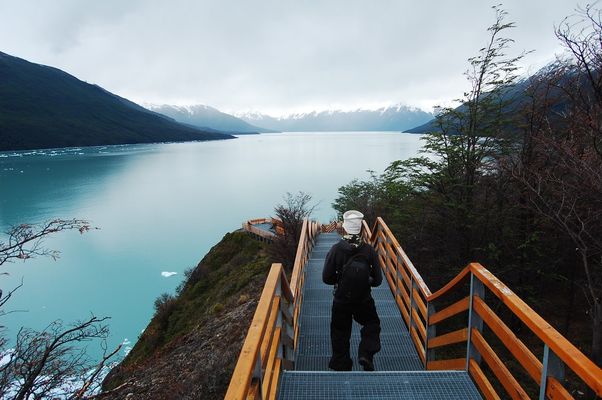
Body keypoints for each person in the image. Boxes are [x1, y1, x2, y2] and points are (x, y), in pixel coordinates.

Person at [322, 210, 382, 371]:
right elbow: (378, 281)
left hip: (341, 299)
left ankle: (341, 364)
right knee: (372, 323)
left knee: (340, 332)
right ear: (361, 228)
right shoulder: (369, 251)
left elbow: (326, 278)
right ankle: (366, 354)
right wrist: (366, 280)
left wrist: (340, 280)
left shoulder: (335, 249)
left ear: (345, 228)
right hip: (363, 299)